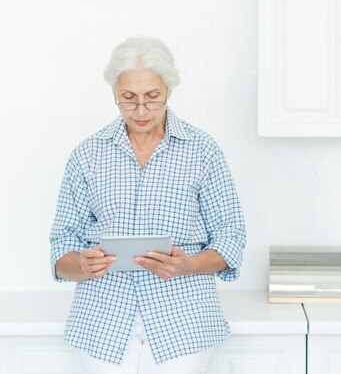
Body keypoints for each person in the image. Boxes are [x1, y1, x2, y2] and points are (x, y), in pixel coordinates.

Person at [49, 36, 246, 373]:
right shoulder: (87, 154)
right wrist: (80, 265)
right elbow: (62, 245)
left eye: (152, 98)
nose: (140, 110)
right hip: (103, 318)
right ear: (115, 93)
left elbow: (232, 237)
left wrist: (188, 264)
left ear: (168, 90)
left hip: (184, 317)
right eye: (128, 99)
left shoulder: (203, 150)